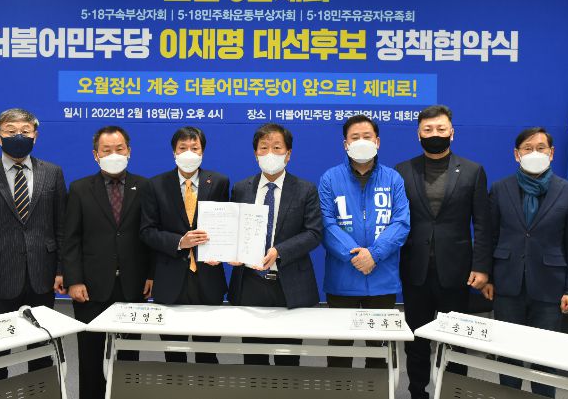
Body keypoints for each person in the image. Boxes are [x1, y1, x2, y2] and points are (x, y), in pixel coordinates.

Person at [0, 108, 67, 384]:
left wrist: (61, 270)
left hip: (42, 277)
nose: (18, 136)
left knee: (42, 351)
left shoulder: (53, 173)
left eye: (25, 131)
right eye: (11, 131)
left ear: (35, 136)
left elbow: (61, 228)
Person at [394, 105, 491, 399]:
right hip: (416, 269)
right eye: (428, 130)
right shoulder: (402, 171)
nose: (434, 134)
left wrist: (482, 267)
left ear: (452, 133)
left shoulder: (473, 171)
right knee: (417, 339)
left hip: (457, 270)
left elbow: (482, 224)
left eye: (440, 129)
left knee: (455, 340)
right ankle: (417, 392)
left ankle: (453, 392)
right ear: (418, 134)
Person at [482, 127, 568, 398]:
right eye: (528, 148)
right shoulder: (500, 189)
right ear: (517, 154)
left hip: (550, 288)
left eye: (541, 148)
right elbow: (490, 237)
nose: (534, 153)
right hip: (507, 285)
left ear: (552, 153)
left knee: (544, 358)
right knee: (508, 356)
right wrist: (488, 276)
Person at [61, 126, 154, 399]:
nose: (114, 154)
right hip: (91, 288)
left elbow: (150, 235)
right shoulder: (79, 189)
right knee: (90, 354)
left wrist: (151, 275)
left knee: (128, 356)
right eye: (107, 150)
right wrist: (74, 280)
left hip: (133, 285)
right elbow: (71, 239)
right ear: (96, 155)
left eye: (119, 149)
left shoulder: (145, 187)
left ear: (129, 151)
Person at [319, 114, 410, 368]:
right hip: (342, 279)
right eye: (355, 137)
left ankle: (378, 388)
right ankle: (339, 389)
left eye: (367, 137)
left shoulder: (393, 178)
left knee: (379, 353)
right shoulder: (330, 178)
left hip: (382, 278)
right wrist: (356, 255)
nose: (361, 142)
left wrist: (374, 254)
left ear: (377, 142)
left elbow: (401, 222)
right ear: (345, 144)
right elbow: (326, 224)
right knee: (339, 351)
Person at [227, 123, 323, 366]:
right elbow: (233, 230)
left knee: (288, 360)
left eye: (277, 148)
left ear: (288, 154)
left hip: (289, 285)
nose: (270, 153)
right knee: (253, 359)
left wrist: (280, 251)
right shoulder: (241, 188)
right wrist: (231, 250)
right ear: (255, 154)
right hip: (250, 284)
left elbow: (314, 233)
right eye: (264, 148)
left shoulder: (305, 189)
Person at [140, 126, 229, 363]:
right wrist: (180, 242)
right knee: (173, 354)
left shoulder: (219, 182)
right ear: (174, 152)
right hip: (170, 280)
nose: (189, 153)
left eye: (194, 148)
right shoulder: (156, 185)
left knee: (207, 354)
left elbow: (227, 226)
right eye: (183, 148)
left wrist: (224, 250)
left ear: (202, 152)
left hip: (208, 278)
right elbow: (147, 232)